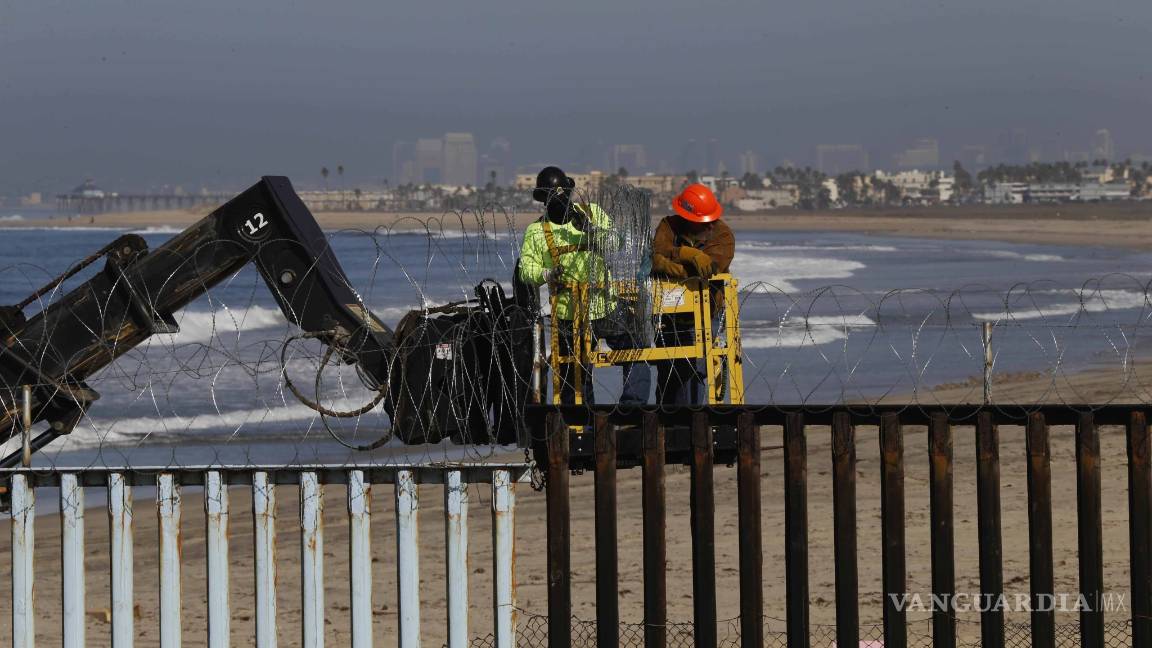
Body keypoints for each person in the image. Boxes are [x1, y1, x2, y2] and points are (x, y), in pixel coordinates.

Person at [518, 166, 651, 405]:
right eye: (554, 198)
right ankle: (581, 421)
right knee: (574, 374)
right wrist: (547, 273)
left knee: (636, 350)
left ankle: (632, 406)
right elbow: (526, 271)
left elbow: (616, 242)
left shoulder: (592, 213)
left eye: (564, 196)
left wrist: (593, 231)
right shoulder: (537, 232)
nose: (562, 202)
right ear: (544, 201)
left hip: (605, 305)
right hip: (568, 313)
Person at [650, 183, 735, 405]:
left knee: (696, 369)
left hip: (706, 313)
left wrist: (667, 264)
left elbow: (707, 269)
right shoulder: (668, 226)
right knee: (668, 370)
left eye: (711, 221)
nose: (710, 227)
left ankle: (693, 424)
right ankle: (668, 426)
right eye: (704, 223)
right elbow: (654, 252)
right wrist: (684, 253)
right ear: (688, 219)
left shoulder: (723, 235)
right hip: (668, 314)